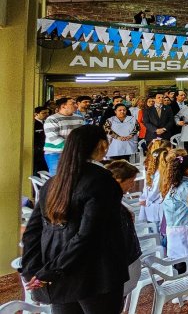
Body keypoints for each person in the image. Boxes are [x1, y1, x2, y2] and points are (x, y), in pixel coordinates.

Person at [21, 125, 131, 312]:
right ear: (102, 145)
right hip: (96, 273)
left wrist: (34, 270)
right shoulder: (102, 181)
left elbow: (32, 231)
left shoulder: (53, 182)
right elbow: (89, 235)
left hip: (58, 269)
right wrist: (51, 270)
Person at [105, 160, 142, 302]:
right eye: (131, 181)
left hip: (125, 264)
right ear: (118, 180)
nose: (132, 186)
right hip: (120, 267)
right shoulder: (108, 204)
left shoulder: (115, 199)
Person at [162, 153, 188, 270]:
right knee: (184, 262)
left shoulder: (176, 183)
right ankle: (185, 284)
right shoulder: (186, 187)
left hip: (175, 228)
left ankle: (185, 281)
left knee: (181, 260)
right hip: (182, 231)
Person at [42, 97, 83, 175]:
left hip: (74, 152)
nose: (76, 105)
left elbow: (82, 134)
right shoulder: (52, 119)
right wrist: (73, 147)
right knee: (58, 177)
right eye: (72, 104)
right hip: (56, 153)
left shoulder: (79, 117)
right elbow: (54, 138)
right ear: (63, 106)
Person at [33, 106, 50, 175]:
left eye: (47, 113)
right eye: (44, 113)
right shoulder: (34, 124)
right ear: (36, 114)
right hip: (38, 150)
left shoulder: (47, 122)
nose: (47, 115)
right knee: (37, 168)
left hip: (45, 148)